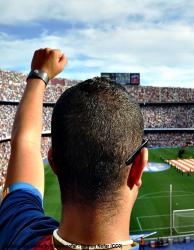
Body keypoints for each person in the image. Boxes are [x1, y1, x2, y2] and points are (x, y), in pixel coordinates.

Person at [0, 48, 148, 249]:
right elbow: (25, 143)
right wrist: (38, 75)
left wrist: (39, 74)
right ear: (139, 166)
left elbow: (25, 143)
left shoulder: (19, 231)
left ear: (53, 162)